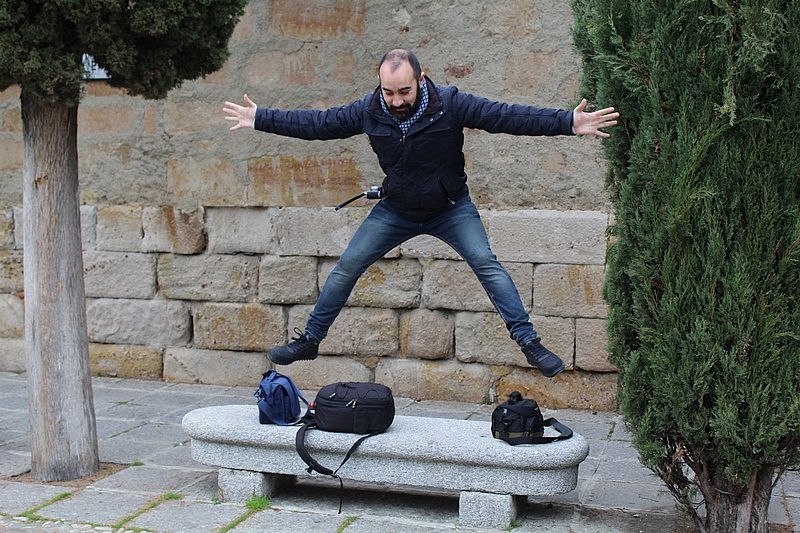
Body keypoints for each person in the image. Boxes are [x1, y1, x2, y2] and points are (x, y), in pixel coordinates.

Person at [223, 49, 618, 377]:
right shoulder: (369, 110)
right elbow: (318, 124)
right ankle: (310, 341)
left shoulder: (451, 104)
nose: (396, 101)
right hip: (396, 209)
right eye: (389, 92)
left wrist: (568, 121)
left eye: (404, 91)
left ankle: (529, 343)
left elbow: (508, 116)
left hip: (450, 208)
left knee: (486, 263)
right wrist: (260, 117)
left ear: (421, 79)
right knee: (347, 266)